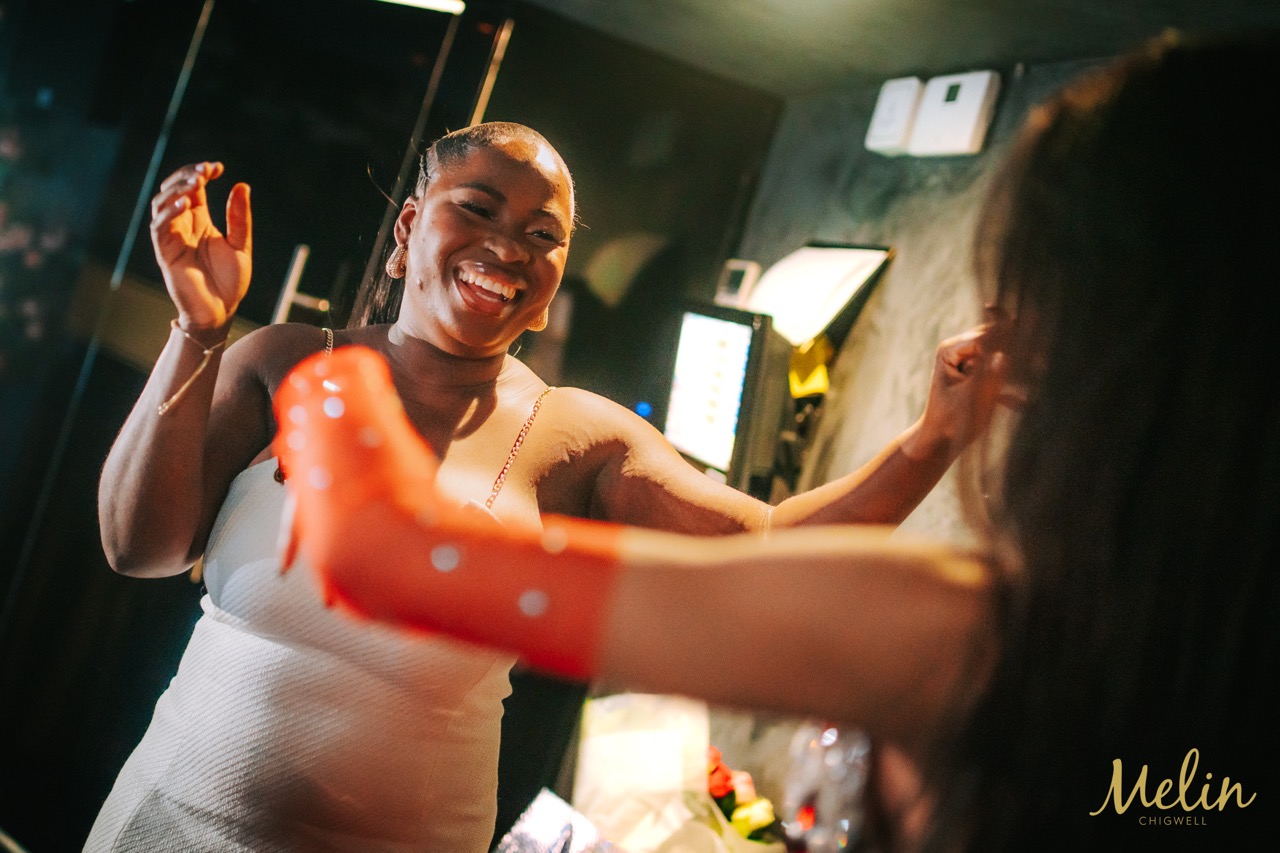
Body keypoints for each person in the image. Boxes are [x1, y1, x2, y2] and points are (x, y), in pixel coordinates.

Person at [272, 32, 1280, 852]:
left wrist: (330, 378)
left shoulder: (962, 633)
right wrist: (936, 436)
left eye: (1031, 293)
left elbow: (390, 555)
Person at [87, 121, 995, 852]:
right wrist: (197, 332)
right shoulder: (287, 362)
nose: (507, 246)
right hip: (173, 820)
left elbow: (777, 547)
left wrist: (936, 436)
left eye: (542, 234)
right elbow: (139, 546)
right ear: (408, 230)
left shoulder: (577, 436)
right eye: (477, 209)